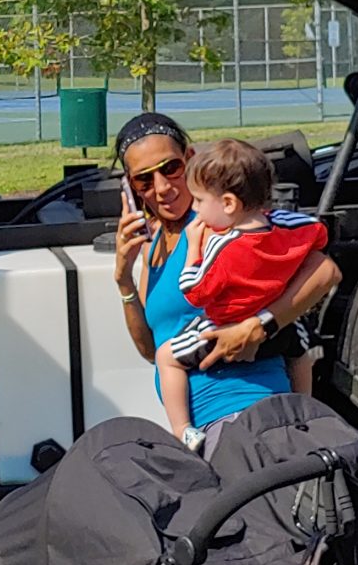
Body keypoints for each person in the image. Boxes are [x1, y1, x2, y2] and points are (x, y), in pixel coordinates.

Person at [109, 113, 341, 455]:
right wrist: (123, 278)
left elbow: (325, 271)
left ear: (189, 160)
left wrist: (259, 325)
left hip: (244, 409)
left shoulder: (217, 222)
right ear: (131, 187)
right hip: (204, 429)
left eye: (170, 168)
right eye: (143, 180)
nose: (161, 187)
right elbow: (151, 350)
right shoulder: (154, 243)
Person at [153, 139, 329, 450]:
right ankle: (307, 411)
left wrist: (194, 249)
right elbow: (315, 233)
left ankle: (182, 430)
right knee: (301, 353)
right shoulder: (281, 227)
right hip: (278, 328)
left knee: (166, 357)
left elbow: (195, 291)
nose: (195, 210)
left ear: (230, 204)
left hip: (224, 330)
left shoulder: (223, 244)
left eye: (198, 201)